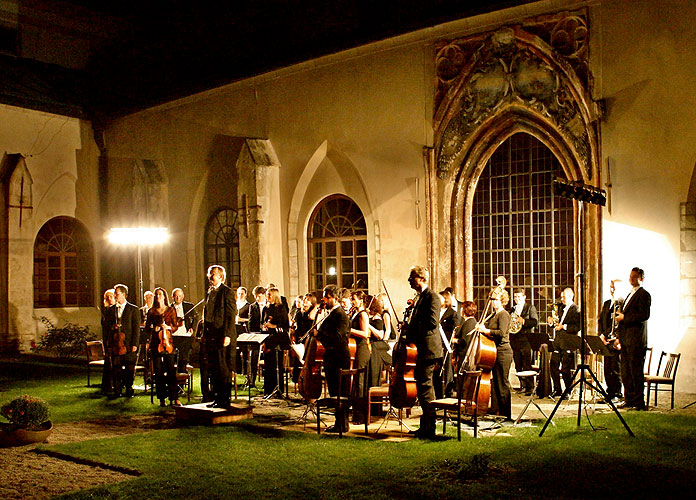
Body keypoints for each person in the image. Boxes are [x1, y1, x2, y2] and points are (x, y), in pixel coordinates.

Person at [404, 265, 442, 439]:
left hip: (428, 349)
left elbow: (432, 322)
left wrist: (412, 327)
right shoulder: (419, 297)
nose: (410, 281)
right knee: (421, 388)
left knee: (426, 388)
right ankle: (424, 426)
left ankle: (430, 428)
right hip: (421, 348)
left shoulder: (432, 297)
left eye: (412, 278)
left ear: (422, 278)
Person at [315, 284, 351, 433]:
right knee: (334, 391)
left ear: (335, 298)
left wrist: (320, 335)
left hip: (339, 358)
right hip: (331, 357)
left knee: (340, 392)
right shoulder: (330, 314)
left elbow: (337, 336)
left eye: (327, 297)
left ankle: (342, 424)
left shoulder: (340, 315)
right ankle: (339, 423)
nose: (324, 299)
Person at [615, 267, 651, 411]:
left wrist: (625, 317)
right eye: (630, 276)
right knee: (626, 372)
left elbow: (644, 315)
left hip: (636, 340)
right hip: (626, 339)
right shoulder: (630, 293)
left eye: (634, 276)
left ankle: (638, 402)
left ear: (641, 278)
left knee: (635, 371)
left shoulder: (644, 294)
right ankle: (629, 398)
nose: (631, 279)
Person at [202, 265, 237, 408]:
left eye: (213, 274)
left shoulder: (227, 292)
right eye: (209, 274)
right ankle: (216, 398)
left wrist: (227, 335)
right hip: (211, 336)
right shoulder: (210, 292)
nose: (210, 277)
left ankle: (224, 399)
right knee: (214, 369)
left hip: (222, 335)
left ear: (221, 276)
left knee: (223, 369)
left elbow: (230, 315)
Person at [476, 289, 513, 420]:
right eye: (492, 300)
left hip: (503, 351)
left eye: (496, 300)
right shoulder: (492, 315)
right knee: (495, 383)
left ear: (502, 301)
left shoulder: (503, 314)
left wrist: (485, 330)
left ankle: (506, 414)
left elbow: (501, 333)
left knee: (502, 383)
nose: (494, 303)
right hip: (495, 351)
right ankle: (495, 410)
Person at [145, 287, 181, 406]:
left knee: (171, 370)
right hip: (156, 343)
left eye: (160, 294)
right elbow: (147, 328)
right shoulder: (151, 311)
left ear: (164, 296)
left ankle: (174, 397)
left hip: (168, 342)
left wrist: (168, 327)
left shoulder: (170, 310)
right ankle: (161, 398)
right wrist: (153, 328)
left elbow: (175, 327)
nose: (158, 296)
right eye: (156, 295)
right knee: (158, 372)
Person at [107, 284, 141, 398]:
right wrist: (113, 327)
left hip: (128, 343)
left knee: (129, 367)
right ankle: (117, 389)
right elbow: (107, 327)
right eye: (115, 293)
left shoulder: (133, 309)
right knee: (116, 367)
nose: (115, 295)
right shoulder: (111, 310)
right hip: (116, 344)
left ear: (124, 295)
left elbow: (136, 328)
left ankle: (129, 388)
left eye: (117, 293)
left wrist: (135, 344)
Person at [549, 288, 581, 397]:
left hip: (568, 343)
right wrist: (552, 323)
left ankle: (568, 391)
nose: (562, 299)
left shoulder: (576, 309)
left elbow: (577, 327)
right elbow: (558, 325)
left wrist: (564, 326)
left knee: (565, 369)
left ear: (571, 296)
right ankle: (557, 389)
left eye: (564, 297)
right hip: (558, 341)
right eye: (561, 297)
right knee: (553, 365)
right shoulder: (561, 308)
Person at [598, 279, 623, 404]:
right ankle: (609, 393)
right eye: (611, 286)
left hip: (614, 342)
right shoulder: (607, 303)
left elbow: (620, 324)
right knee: (607, 368)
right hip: (605, 341)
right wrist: (601, 335)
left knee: (615, 368)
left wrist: (612, 336)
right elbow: (601, 320)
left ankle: (617, 393)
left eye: (615, 287)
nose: (612, 289)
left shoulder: (622, 304)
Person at [262, 287, 291, 396]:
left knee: (277, 365)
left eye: (269, 294)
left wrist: (273, 326)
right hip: (268, 339)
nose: (267, 296)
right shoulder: (266, 308)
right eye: (267, 294)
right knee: (268, 365)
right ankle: (268, 390)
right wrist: (265, 327)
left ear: (274, 295)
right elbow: (263, 321)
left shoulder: (281, 308)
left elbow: (284, 325)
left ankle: (278, 389)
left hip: (278, 339)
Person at [510, 289, 538, 396]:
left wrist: (524, 321)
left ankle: (530, 388)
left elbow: (535, 322)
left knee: (527, 364)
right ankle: (523, 386)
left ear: (524, 297)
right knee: (518, 364)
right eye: (515, 297)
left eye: (519, 297)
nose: (517, 299)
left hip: (527, 340)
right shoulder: (512, 309)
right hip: (515, 339)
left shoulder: (530, 308)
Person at [349, 290, 371, 424]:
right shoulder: (355, 313)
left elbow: (364, 333)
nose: (352, 302)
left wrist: (349, 330)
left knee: (360, 382)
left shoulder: (363, 314)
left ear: (361, 301)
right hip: (356, 348)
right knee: (356, 381)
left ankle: (361, 416)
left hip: (362, 349)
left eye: (354, 299)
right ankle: (356, 414)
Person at [435, 290, 459, 398]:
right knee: (437, 370)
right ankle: (438, 393)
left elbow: (455, 328)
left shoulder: (452, 313)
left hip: (446, 344)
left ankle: (447, 394)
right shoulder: (436, 311)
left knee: (447, 370)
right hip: (436, 344)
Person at [367, 295, 392, 388]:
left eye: (380, 300)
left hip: (386, 340)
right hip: (378, 341)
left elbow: (388, 330)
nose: (378, 302)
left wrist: (384, 341)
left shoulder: (385, 314)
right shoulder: (377, 314)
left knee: (378, 351)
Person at [171, 288, 197, 374]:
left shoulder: (189, 306)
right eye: (176, 296)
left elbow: (196, 317)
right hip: (173, 335)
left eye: (180, 296)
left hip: (185, 334)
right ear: (173, 297)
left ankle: (182, 374)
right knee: (173, 355)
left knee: (184, 355)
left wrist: (192, 328)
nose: (178, 298)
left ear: (183, 297)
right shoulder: (169, 308)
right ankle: (173, 374)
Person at [452, 301, 477, 371]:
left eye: (461, 308)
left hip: (465, 357)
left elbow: (464, 341)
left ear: (464, 310)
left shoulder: (469, 323)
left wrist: (454, 340)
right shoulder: (470, 321)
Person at [100, 288, 116, 393]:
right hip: (109, 337)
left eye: (111, 296)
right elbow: (104, 325)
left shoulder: (117, 309)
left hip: (117, 338)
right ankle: (108, 384)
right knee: (109, 362)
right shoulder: (106, 310)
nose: (109, 299)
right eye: (108, 297)